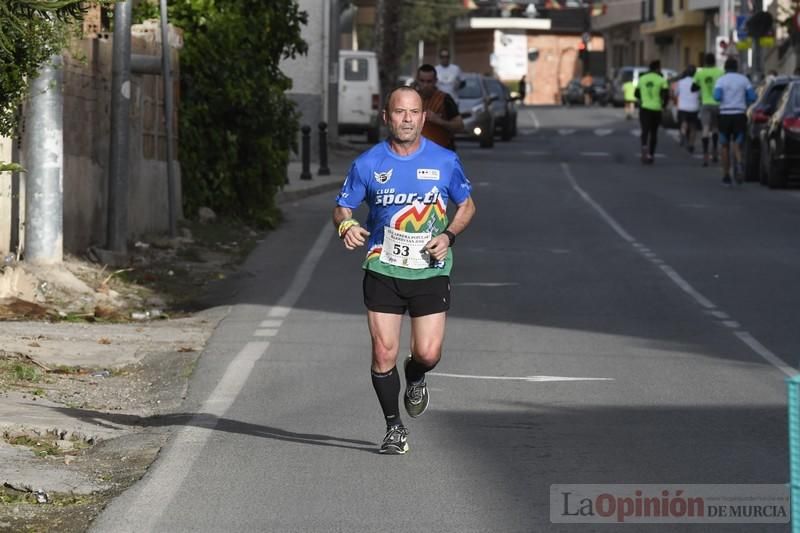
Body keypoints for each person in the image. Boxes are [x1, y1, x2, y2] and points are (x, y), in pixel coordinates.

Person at [332, 86, 476, 455]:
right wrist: (346, 226)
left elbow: (466, 206)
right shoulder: (368, 163)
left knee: (427, 353)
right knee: (383, 352)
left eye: (414, 112)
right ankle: (393, 428)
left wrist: (448, 235)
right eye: (400, 112)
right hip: (383, 265)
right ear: (386, 117)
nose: (407, 119)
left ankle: (415, 375)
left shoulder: (445, 161)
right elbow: (343, 206)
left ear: (424, 118)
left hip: (430, 267)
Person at [713, 57, 756, 185]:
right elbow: (752, 97)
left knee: (725, 145)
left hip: (725, 114)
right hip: (739, 114)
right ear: (736, 68)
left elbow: (717, 97)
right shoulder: (744, 80)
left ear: (725, 68)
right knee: (738, 144)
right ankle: (739, 162)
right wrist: (744, 101)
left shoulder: (721, 80)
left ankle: (726, 175)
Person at [415, 64, 464, 151]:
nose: (425, 85)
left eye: (429, 81)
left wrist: (440, 121)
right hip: (416, 153)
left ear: (435, 81)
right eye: (422, 81)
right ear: (417, 81)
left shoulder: (445, 99)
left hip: (441, 150)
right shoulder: (410, 99)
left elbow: (460, 126)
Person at [634, 60, 669, 164]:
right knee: (654, 132)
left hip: (644, 108)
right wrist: (663, 105)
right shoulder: (662, 80)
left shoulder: (642, 79)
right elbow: (666, 95)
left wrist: (644, 98)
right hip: (656, 109)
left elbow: (636, 94)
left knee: (645, 130)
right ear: (658, 68)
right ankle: (651, 155)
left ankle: (644, 147)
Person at [692, 53, 724, 167]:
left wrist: (702, 86)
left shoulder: (700, 73)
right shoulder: (720, 72)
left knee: (705, 128)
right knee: (715, 128)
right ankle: (715, 151)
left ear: (705, 62)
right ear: (714, 61)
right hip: (718, 104)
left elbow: (693, 88)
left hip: (705, 104)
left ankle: (705, 155)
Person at [674, 65, 700, 153]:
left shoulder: (680, 82)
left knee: (684, 122)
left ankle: (683, 133)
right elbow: (700, 95)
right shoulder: (697, 82)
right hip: (694, 107)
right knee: (693, 127)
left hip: (682, 107)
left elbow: (675, 93)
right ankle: (691, 144)